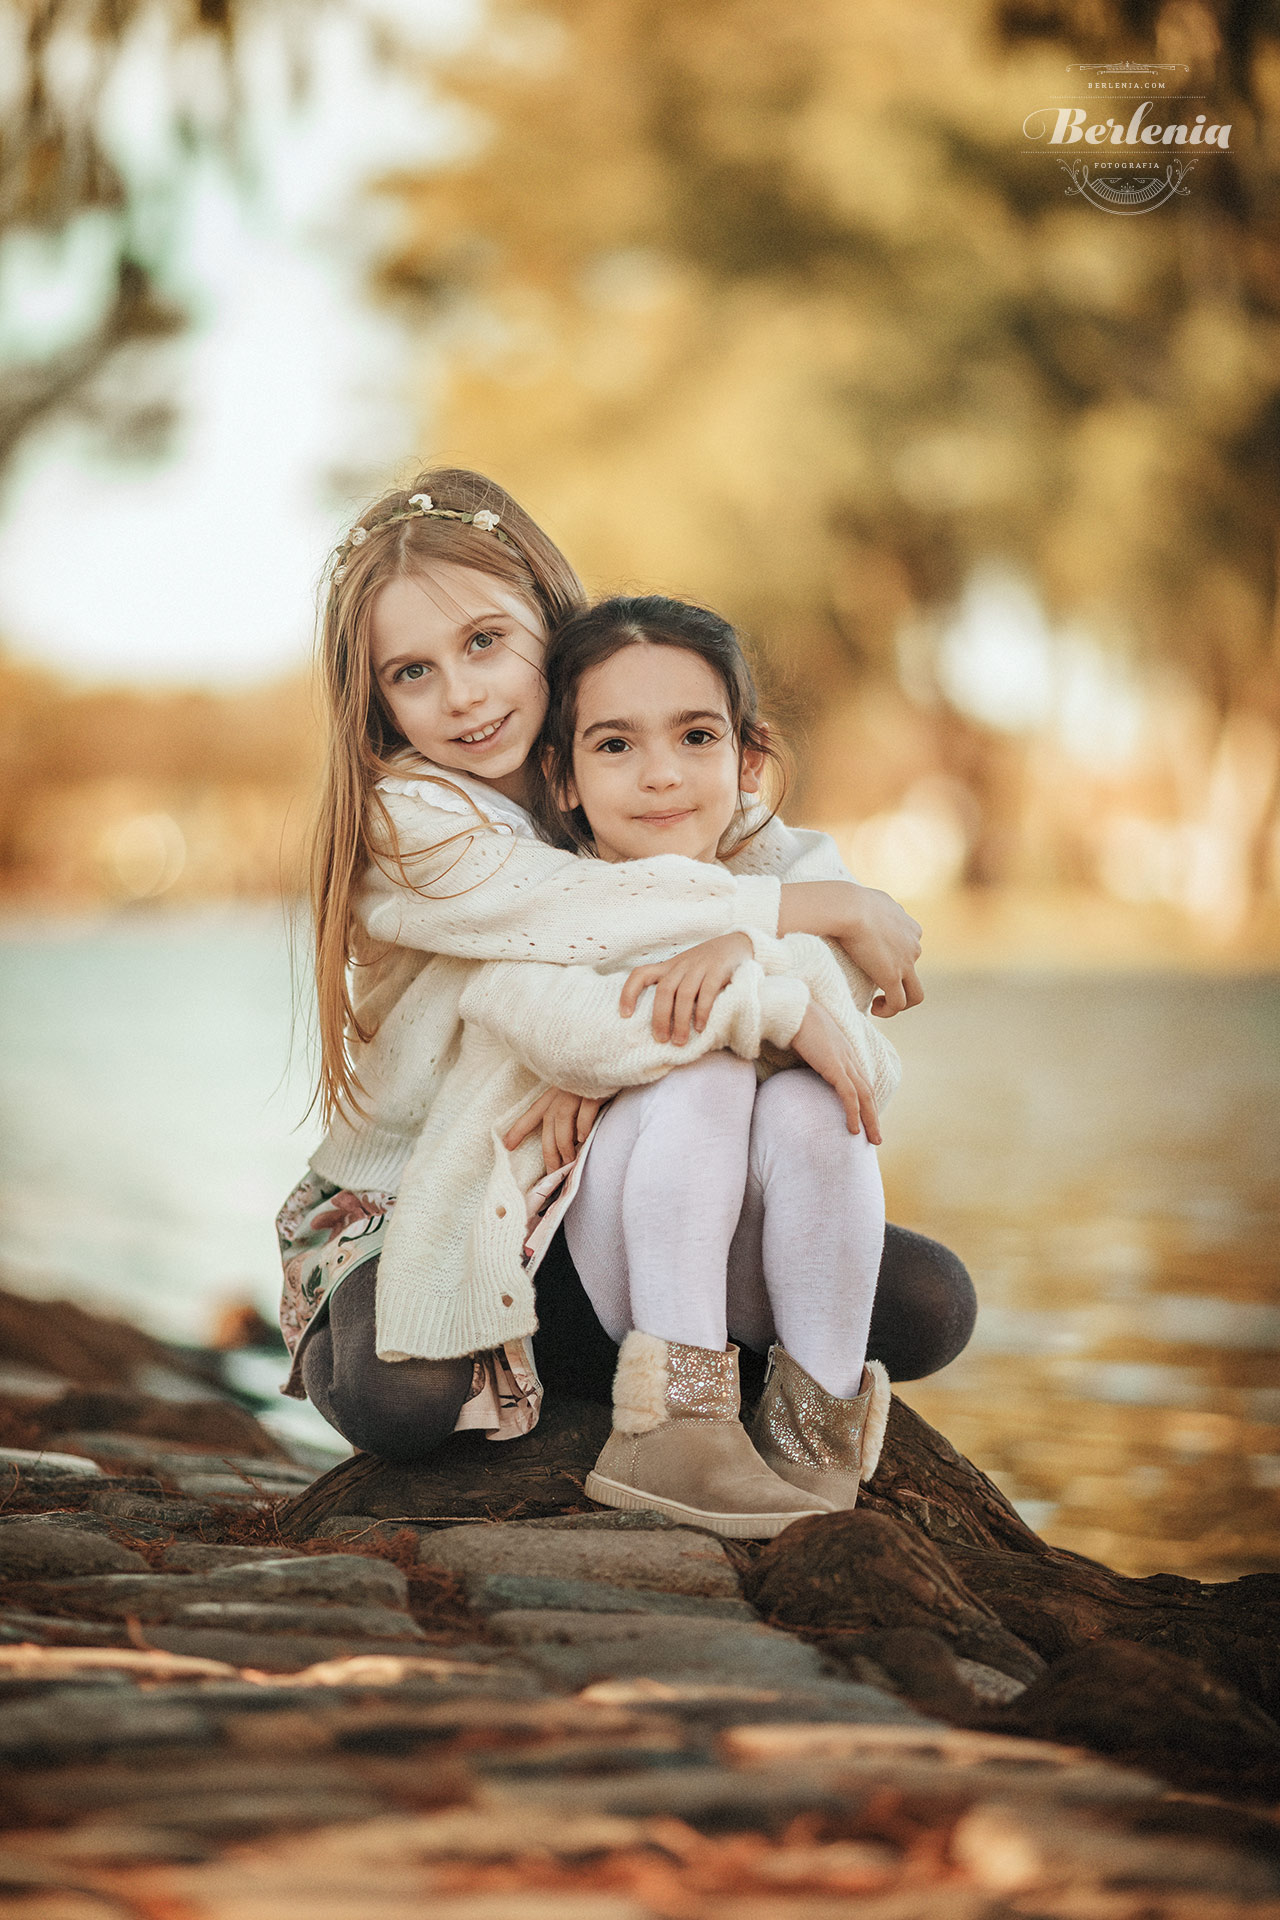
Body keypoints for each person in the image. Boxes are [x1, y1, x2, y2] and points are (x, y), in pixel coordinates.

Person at [277, 468, 976, 1495]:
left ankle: (682, 1377)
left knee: (923, 1300)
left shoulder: (662, 773)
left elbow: (844, 1015)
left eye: (482, 642)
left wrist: (748, 957)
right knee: (403, 1397)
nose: (462, 693)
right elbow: (581, 921)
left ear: (546, 624)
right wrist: (795, 932)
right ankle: (513, 1359)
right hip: (433, 1185)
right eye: (411, 673)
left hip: (599, 1173)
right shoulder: (411, 821)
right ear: (375, 701)